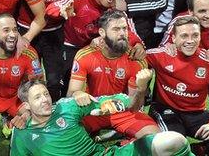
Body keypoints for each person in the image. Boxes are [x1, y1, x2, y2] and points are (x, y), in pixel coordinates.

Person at [147, 16, 209, 155]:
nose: (190, 41)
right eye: (184, 36)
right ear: (173, 38)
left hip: (196, 114)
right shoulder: (158, 55)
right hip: (166, 111)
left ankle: (199, 150)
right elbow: (135, 60)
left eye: (195, 35)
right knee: (174, 142)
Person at [11, 80, 194, 156]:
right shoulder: (21, 134)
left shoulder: (66, 106)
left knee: (174, 140)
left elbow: (125, 102)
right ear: (26, 105)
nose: (45, 100)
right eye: (37, 97)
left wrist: (137, 90)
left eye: (45, 94)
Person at [46, 0, 146, 99]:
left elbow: (129, 30)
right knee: (63, 86)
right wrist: (61, 11)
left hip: (97, 50)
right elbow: (52, 8)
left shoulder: (116, 8)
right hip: (71, 47)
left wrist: (138, 44)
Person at [67, 10, 159, 138]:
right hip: (92, 110)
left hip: (123, 112)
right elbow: (71, 93)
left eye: (124, 28)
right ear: (102, 33)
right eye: (116, 29)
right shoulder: (85, 55)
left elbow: (134, 107)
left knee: (155, 136)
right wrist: (78, 94)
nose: (122, 33)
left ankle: (119, 138)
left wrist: (142, 88)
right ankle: (114, 135)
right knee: (66, 133)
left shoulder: (136, 61)